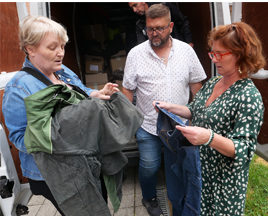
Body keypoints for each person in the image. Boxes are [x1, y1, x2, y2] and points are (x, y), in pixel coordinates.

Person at [2, 15, 119, 215]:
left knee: (98, 204)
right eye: (52, 47)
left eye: (63, 46)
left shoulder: (62, 71)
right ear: (30, 49)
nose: (61, 53)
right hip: (57, 175)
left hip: (85, 159)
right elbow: (18, 137)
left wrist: (96, 94)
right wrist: (57, 133)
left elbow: (80, 92)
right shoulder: (18, 88)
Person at [154, 22, 265, 215]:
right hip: (199, 172)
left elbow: (244, 150)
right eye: (212, 53)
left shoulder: (248, 96)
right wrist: (171, 108)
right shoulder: (214, 82)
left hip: (223, 184)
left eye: (220, 54)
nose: (214, 59)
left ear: (240, 53)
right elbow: (195, 110)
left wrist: (209, 138)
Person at [122, 4, 206, 216]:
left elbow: (197, 86)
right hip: (147, 125)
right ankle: (149, 197)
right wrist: (127, 121)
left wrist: (199, 120)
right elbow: (128, 89)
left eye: (159, 28)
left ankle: (176, 200)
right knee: (149, 166)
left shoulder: (186, 51)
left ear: (170, 26)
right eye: (150, 29)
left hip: (179, 126)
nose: (154, 33)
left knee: (176, 169)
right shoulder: (135, 54)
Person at [126, 2, 193, 53]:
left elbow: (182, 21)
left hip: (177, 49)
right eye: (132, 8)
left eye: (135, 5)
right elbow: (141, 42)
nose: (134, 10)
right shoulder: (139, 22)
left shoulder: (164, 6)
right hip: (157, 55)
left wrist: (189, 41)